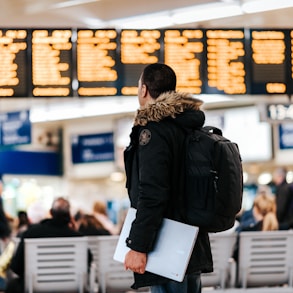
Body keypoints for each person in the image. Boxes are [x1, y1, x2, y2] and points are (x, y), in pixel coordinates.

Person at [123, 63, 213, 293]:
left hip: (167, 245)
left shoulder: (155, 132)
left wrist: (138, 246)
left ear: (144, 90)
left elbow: (152, 192)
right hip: (191, 242)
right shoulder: (188, 128)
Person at [5, 197, 92, 293]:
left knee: (12, 285)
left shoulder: (31, 233)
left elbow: (16, 267)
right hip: (71, 288)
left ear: (51, 212)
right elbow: (88, 264)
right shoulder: (78, 238)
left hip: (35, 288)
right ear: (69, 214)